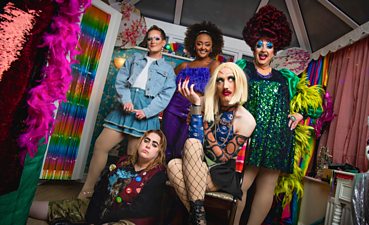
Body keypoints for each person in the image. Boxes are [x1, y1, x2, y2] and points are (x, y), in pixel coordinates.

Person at [233, 5, 323, 225]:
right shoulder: (242, 69)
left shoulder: (287, 78)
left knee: (267, 187)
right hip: (251, 138)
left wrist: (300, 114)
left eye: (269, 45)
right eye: (259, 45)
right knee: (241, 185)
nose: (264, 49)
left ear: (275, 50)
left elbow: (317, 106)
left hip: (278, 138)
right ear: (253, 47)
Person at [78, 25, 176, 199]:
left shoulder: (168, 70)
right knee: (101, 145)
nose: (152, 41)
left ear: (163, 43)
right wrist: (126, 100)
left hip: (144, 113)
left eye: (157, 38)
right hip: (125, 108)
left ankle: (119, 197)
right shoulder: (134, 58)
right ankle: (87, 190)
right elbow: (121, 82)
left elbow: (165, 96)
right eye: (150, 38)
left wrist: (146, 111)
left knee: (133, 158)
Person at [167, 62, 256, 225]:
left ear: (240, 83)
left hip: (219, 173)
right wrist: (196, 106)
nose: (225, 85)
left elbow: (220, 157)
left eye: (231, 79)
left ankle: (196, 219)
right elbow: (194, 140)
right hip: (195, 162)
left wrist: (203, 121)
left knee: (187, 154)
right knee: (175, 161)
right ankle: (199, 219)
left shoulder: (247, 120)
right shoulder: (203, 102)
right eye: (220, 80)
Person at [29, 130, 168, 225]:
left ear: (159, 152)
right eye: (146, 140)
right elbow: (101, 188)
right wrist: (93, 215)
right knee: (63, 207)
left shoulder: (158, 174)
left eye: (154, 144)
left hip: (127, 220)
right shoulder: (124, 162)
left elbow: (140, 209)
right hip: (101, 208)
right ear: (140, 142)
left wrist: (102, 218)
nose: (148, 145)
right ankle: (17, 208)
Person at [161, 21, 224, 161]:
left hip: (194, 113)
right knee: (165, 147)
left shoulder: (215, 65)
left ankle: (174, 179)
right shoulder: (183, 66)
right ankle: (158, 178)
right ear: (194, 45)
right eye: (199, 43)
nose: (203, 47)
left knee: (183, 150)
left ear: (213, 46)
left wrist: (200, 110)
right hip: (173, 110)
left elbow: (214, 92)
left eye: (207, 44)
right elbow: (166, 87)